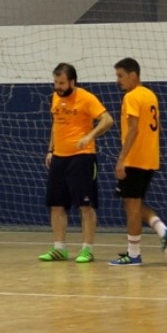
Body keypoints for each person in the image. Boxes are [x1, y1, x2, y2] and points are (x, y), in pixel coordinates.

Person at [39, 63, 114, 264]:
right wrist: (50, 150)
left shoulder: (86, 98)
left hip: (82, 157)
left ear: (72, 81)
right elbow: (56, 124)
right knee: (56, 204)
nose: (58, 86)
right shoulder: (55, 97)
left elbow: (107, 120)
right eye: (55, 82)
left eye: (62, 83)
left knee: (85, 205)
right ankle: (59, 248)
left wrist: (90, 136)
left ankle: (87, 249)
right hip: (59, 157)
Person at [109, 57, 167, 266]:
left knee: (131, 206)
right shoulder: (150, 95)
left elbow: (133, 129)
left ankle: (135, 254)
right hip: (150, 157)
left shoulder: (132, 97)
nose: (118, 81)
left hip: (135, 158)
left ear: (133, 75)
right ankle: (161, 230)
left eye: (121, 76)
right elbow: (157, 127)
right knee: (133, 204)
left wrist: (121, 159)